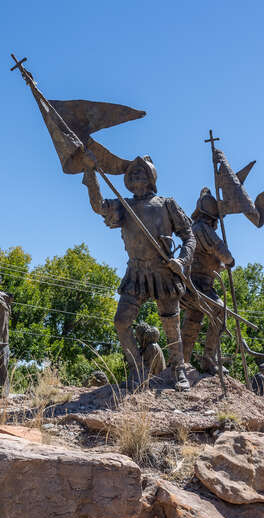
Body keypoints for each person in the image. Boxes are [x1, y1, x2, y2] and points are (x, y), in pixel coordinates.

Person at [82, 156, 196, 390]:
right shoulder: (124, 206)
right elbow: (99, 206)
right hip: (136, 272)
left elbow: (189, 235)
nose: (136, 175)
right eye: (132, 172)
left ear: (151, 176)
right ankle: (138, 370)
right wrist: (91, 174)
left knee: (171, 326)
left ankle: (178, 370)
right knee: (121, 322)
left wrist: (182, 260)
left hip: (164, 271)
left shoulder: (166, 204)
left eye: (141, 172)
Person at [180, 187, 235, 374]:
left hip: (191, 283)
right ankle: (209, 359)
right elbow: (223, 253)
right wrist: (230, 261)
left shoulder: (193, 229)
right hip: (200, 285)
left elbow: (205, 260)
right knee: (219, 312)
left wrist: (220, 266)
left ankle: (181, 361)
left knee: (193, 321)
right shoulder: (204, 229)